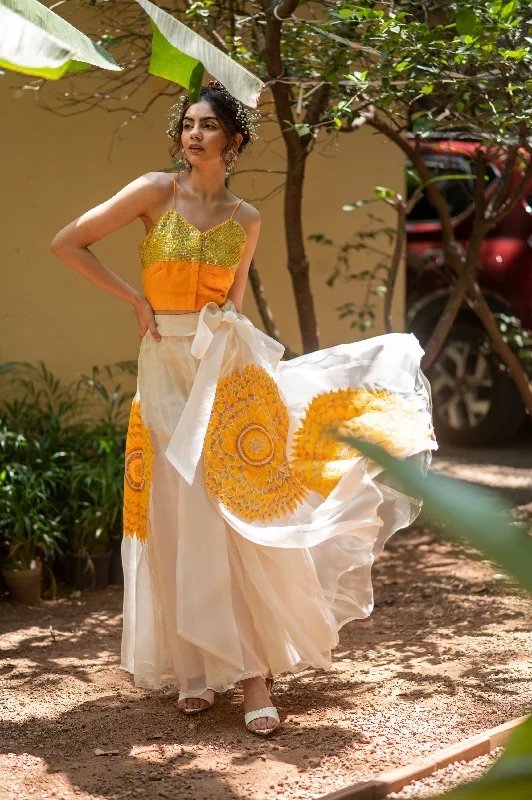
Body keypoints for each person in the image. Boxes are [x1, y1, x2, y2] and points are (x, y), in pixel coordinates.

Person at [50, 80, 437, 736]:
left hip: (222, 369)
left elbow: (230, 306)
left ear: (232, 141)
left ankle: (255, 675)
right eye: (187, 125)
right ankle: (196, 670)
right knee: (177, 517)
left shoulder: (246, 219)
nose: (193, 135)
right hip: (163, 364)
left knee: (229, 511)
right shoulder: (155, 191)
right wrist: (136, 302)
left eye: (208, 127)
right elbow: (69, 240)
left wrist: (259, 382)